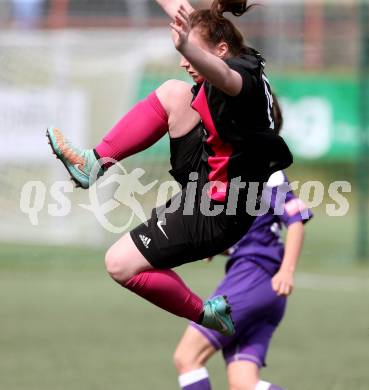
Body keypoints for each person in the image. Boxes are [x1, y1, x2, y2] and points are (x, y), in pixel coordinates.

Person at [46, 0, 293, 337]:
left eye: (190, 54)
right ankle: (94, 164)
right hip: (208, 179)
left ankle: (206, 313)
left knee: (118, 264)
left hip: (216, 213)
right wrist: (188, 41)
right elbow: (179, 9)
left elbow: (221, 75)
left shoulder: (241, 80)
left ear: (220, 50)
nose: (182, 61)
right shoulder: (227, 49)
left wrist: (187, 47)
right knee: (175, 93)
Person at [172, 97, 313, 390]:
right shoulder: (243, 170)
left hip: (255, 276)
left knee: (187, 357)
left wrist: (287, 270)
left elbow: (296, 219)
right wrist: (218, 246)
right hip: (265, 288)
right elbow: (251, 226)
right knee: (244, 385)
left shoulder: (266, 170)